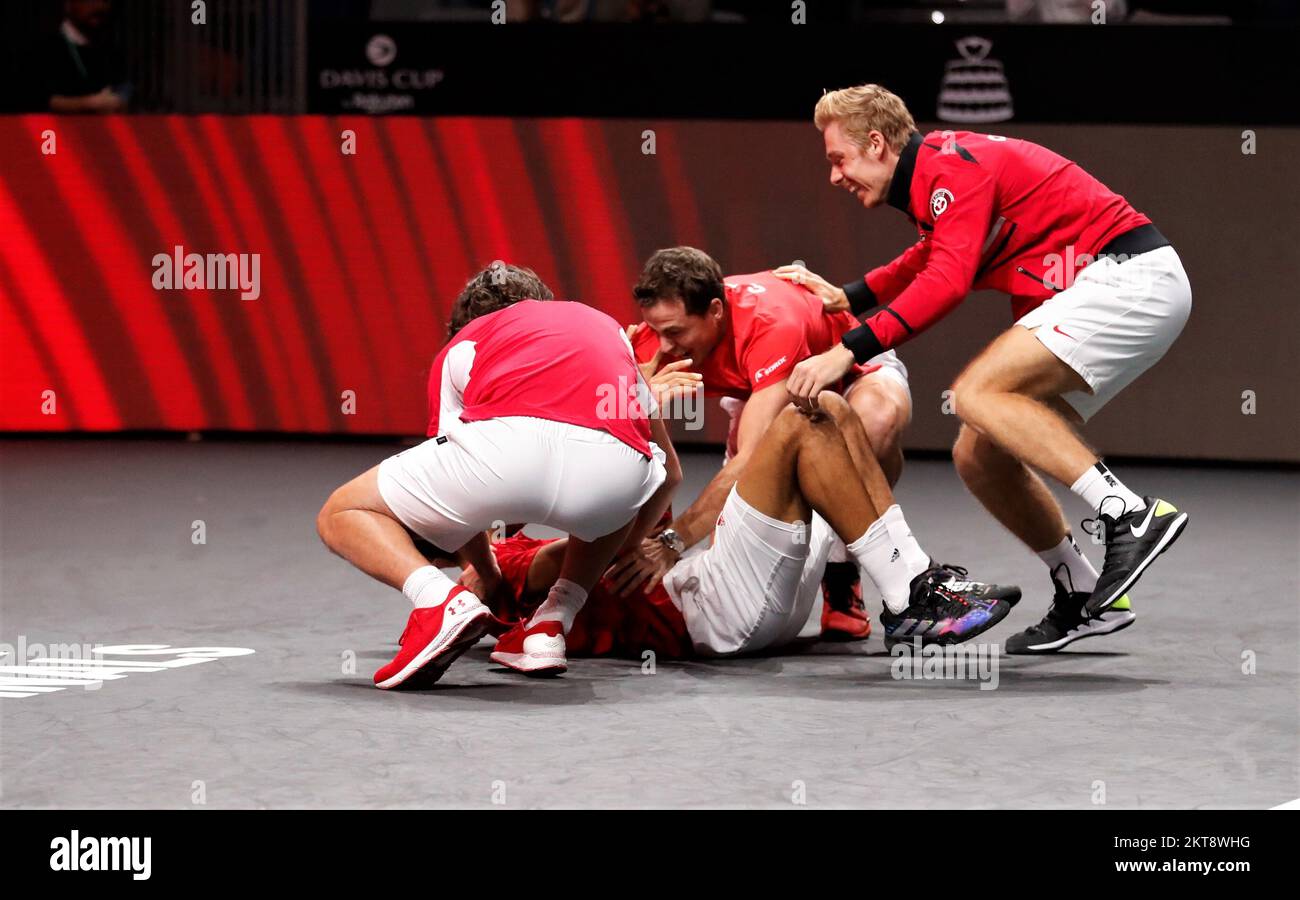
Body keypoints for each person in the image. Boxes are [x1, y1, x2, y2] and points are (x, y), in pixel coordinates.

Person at [783, 84, 1191, 653]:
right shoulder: (937, 174)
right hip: (1112, 288)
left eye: (838, 159)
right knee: (979, 454)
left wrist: (848, 348)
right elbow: (932, 256)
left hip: (1129, 278)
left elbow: (947, 281)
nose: (835, 176)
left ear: (875, 143)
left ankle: (1127, 514)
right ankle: (1081, 589)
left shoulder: (952, 171)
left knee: (976, 391)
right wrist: (851, 294)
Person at [316, 264, 680, 688]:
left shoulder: (463, 343)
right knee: (634, 469)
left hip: (504, 460)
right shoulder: (605, 327)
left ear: (462, 324)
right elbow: (670, 474)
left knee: (341, 510)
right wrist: (626, 547)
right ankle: (552, 622)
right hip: (610, 489)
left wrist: (488, 577)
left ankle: (438, 601)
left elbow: (458, 477)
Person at [476, 391, 1020, 658]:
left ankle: (916, 580)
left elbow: (651, 497)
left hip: (753, 605)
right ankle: (906, 598)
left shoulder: (520, 545)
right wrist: (637, 411)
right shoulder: (509, 567)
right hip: (715, 614)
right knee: (795, 425)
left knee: (828, 404)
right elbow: (613, 535)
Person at [627, 247, 912, 640]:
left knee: (875, 421)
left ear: (715, 311)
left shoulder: (771, 325)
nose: (664, 346)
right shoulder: (652, 342)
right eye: (655, 330)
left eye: (675, 332)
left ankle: (844, 571)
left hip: (852, 373)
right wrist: (635, 400)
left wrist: (674, 541)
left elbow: (752, 459)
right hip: (759, 389)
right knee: (740, 537)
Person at [45, 0, 129, 114]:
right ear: (68, 4)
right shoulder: (46, 48)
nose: (99, 5)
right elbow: (39, 100)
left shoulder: (112, 51)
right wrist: (88, 104)